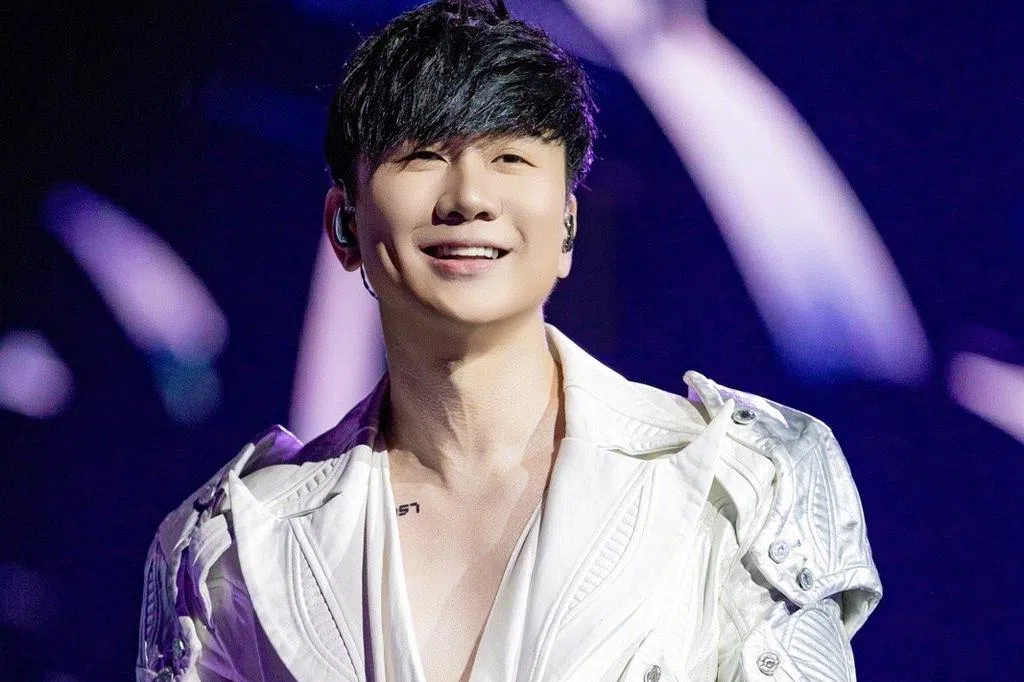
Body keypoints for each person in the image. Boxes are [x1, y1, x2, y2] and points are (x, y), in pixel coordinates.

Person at [136, 1, 881, 680]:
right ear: (344, 225)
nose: (468, 197)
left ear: (567, 229)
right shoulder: (230, 547)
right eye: (421, 154)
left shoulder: (743, 485)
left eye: (511, 157)